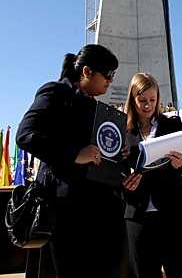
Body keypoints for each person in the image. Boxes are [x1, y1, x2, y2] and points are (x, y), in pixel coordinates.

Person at [16, 44, 140, 278]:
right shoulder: (54, 92)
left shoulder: (98, 108)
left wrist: (117, 154)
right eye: (107, 75)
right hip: (65, 208)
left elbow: (98, 152)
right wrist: (74, 154)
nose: (110, 81)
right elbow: (26, 135)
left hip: (99, 207)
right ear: (86, 72)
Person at [124, 72, 182, 278]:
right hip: (137, 217)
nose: (147, 105)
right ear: (132, 99)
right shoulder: (123, 131)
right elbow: (112, 172)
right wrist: (125, 182)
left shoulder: (173, 126)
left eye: (152, 100)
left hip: (174, 216)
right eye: (142, 100)